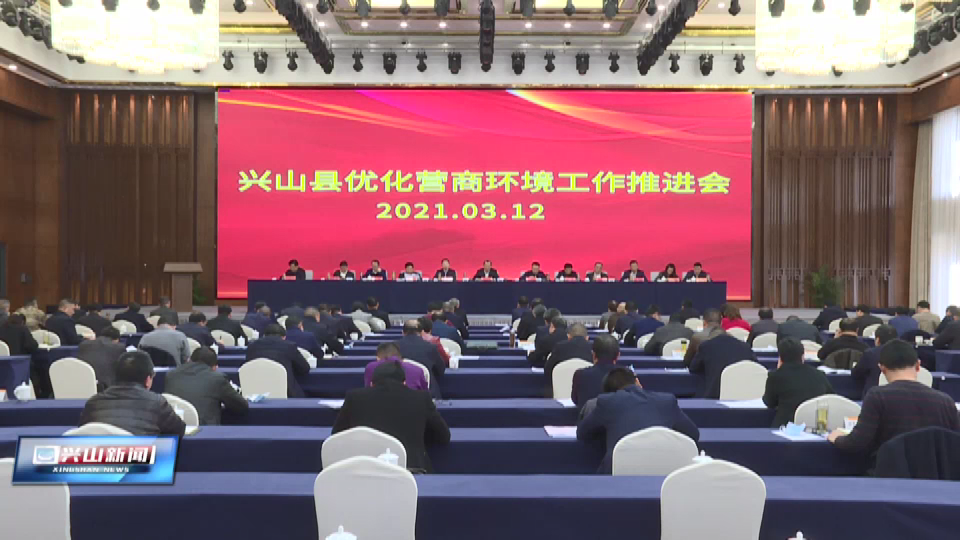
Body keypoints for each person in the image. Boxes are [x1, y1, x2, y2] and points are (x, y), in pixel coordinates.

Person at [828, 339, 960, 457]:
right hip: (936, 474)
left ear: (882, 368)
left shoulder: (877, 397)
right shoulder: (945, 401)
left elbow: (856, 443)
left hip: (889, 472)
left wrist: (837, 438)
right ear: (918, 365)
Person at [576, 367, 700, 474]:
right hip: (667, 471)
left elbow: (582, 433)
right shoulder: (667, 401)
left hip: (619, 474)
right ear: (637, 382)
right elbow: (693, 434)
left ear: (610, 393)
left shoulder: (607, 402)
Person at [334, 361, 451, 473]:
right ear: (404, 383)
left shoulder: (354, 398)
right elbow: (443, 436)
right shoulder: (421, 398)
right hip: (412, 471)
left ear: (371, 384)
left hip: (364, 469)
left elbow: (337, 435)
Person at [78, 351, 186, 436]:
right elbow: (179, 431)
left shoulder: (93, 403)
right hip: (139, 458)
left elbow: (81, 433)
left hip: (97, 457)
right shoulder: (157, 403)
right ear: (148, 380)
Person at [762, 337, 835, 428]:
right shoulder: (819, 374)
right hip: (814, 426)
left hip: (785, 427)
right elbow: (831, 397)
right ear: (802, 356)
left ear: (780, 357)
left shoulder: (775, 376)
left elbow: (769, 402)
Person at [165, 347, 248, 425]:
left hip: (171, 428)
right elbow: (242, 406)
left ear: (189, 360)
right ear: (214, 368)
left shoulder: (171, 375)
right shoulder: (217, 378)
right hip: (204, 429)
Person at [689, 326, 759, 398]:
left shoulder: (706, 346)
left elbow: (693, 368)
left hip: (715, 394)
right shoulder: (745, 346)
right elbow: (757, 367)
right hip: (744, 392)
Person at [245, 324, 311, 398]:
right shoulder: (289, 346)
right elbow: (304, 368)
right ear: (284, 337)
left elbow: (248, 365)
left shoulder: (252, 346)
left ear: (264, 335)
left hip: (254, 390)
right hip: (286, 392)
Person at [394, 320, 445, 398]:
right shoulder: (431, 347)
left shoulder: (393, 347)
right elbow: (441, 370)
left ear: (403, 333)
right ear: (421, 332)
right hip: (427, 394)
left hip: (397, 393)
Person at [572, 334, 620, 407]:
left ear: (593, 355)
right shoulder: (625, 377)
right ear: (618, 356)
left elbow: (575, 400)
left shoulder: (580, 375)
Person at [852, 324, 898, 399]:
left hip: (873, 396)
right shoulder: (903, 353)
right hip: (897, 395)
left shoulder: (871, 353)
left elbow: (856, 373)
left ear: (877, 340)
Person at [363, 342, 428, 391]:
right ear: (400, 357)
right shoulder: (417, 370)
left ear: (378, 358)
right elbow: (425, 394)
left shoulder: (370, 367)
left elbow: (368, 390)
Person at [76, 326, 126, 390]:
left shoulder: (84, 344)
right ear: (116, 340)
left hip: (83, 383)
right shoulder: (119, 347)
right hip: (106, 387)